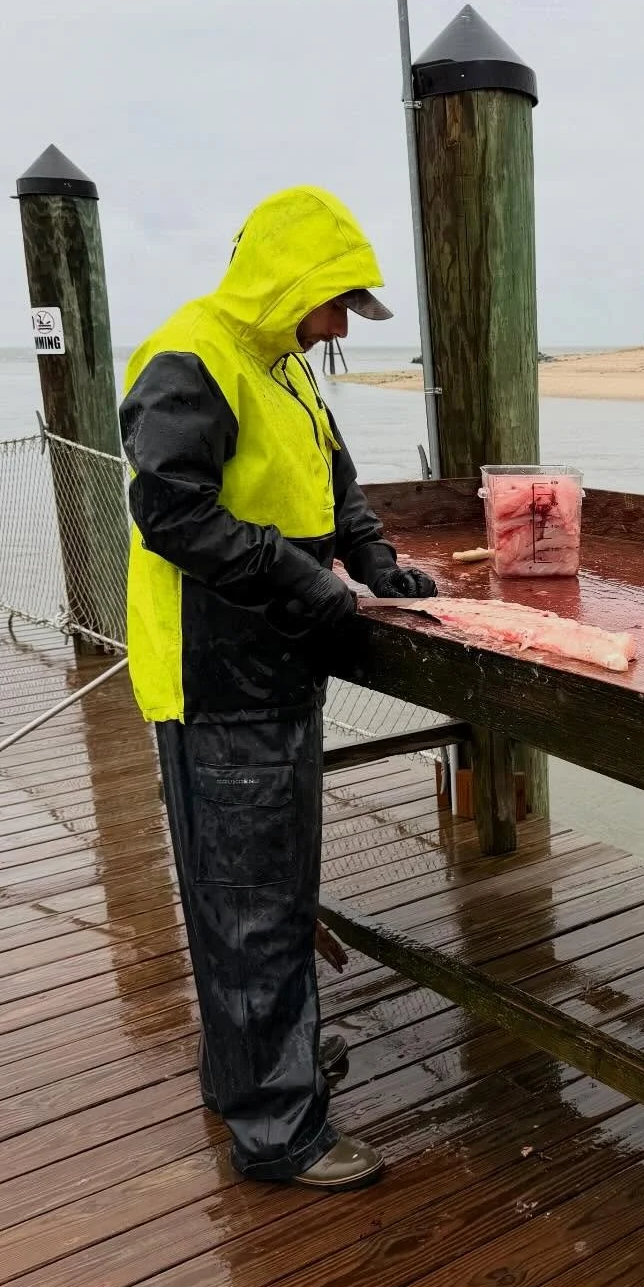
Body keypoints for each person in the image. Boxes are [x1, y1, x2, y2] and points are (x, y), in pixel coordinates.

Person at [121, 186, 436, 1190]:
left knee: (267, 892)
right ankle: (280, 1130)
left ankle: (256, 1067)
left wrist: (376, 562)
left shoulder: (284, 369)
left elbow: (333, 481)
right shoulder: (191, 358)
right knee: (251, 904)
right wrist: (311, 586)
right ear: (289, 280)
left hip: (275, 665)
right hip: (217, 680)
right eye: (335, 301)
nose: (342, 325)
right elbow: (173, 513)